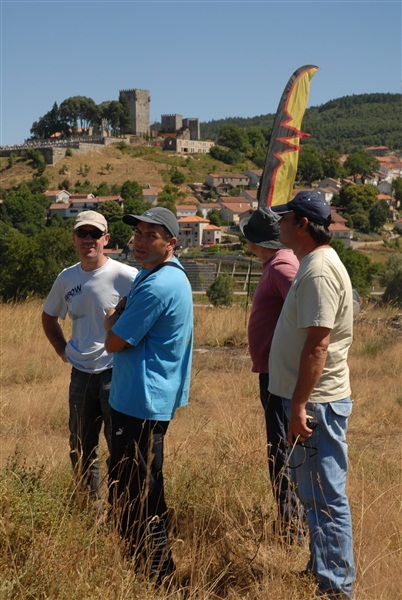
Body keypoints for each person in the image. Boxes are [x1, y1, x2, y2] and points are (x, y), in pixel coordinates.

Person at [269, 191, 355, 599]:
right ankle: (323, 569)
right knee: (315, 493)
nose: (280, 224)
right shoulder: (314, 264)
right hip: (313, 399)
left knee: (324, 496)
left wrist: (300, 403)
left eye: (285, 218)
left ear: (302, 223)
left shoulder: (318, 270)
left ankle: (336, 588)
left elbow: (318, 345)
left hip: (316, 402)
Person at [104, 207, 193, 585]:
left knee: (143, 489)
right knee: (131, 481)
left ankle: (158, 572)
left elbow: (113, 339)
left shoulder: (158, 285)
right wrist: (118, 315)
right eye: (137, 234)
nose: (139, 242)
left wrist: (113, 317)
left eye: (149, 235)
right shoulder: (155, 274)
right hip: (139, 398)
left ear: (171, 242)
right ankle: (138, 562)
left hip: (142, 401)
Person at [42, 210, 138, 505]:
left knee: (119, 444)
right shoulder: (66, 278)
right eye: (82, 234)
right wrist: (62, 350)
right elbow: (48, 317)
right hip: (81, 374)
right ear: (74, 239)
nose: (88, 240)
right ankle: (89, 508)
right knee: (81, 446)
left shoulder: (126, 276)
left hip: (115, 372)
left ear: (106, 239)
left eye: (95, 234)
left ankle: (120, 508)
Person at [240, 207, 304, 542]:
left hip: (280, 374)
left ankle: (292, 526)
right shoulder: (276, 264)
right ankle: (290, 522)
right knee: (280, 447)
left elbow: (308, 303)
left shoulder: (282, 265)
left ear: (254, 240)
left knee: (282, 448)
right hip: (273, 371)